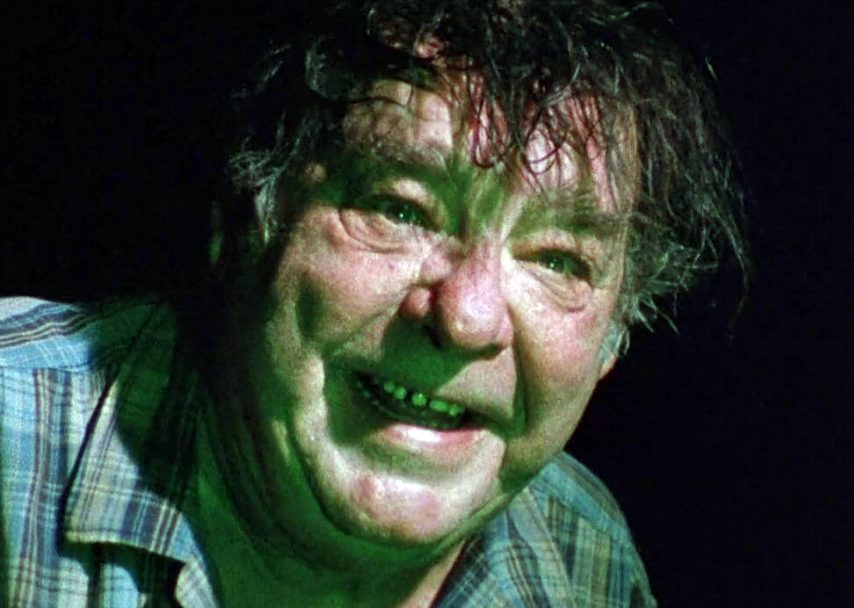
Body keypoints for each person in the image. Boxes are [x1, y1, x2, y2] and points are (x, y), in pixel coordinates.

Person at [0, 1, 746, 606]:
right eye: (400, 209)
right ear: (243, 217)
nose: (467, 318)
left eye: (558, 260)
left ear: (616, 336)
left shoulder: (585, 556)